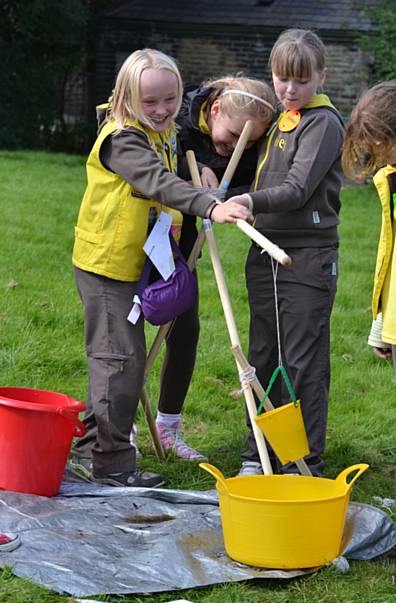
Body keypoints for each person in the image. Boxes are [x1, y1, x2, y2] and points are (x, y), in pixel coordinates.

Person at [70, 49, 252, 487]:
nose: (162, 110)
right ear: (127, 96)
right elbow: (156, 181)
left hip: (141, 260)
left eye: (169, 99)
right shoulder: (122, 138)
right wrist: (210, 205)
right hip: (106, 265)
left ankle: (86, 448)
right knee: (119, 359)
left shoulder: (167, 129)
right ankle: (109, 465)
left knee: (121, 360)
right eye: (149, 102)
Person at [228, 29, 344, 477]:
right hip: (264, 253)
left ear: (321, 77)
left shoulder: (324, 123)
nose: (289, 89)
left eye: (300, 80)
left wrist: (249, 202)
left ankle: (301, 458)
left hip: (306, 259)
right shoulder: (279, 118)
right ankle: (259, 451)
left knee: (301, 360)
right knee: (261, 357)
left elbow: (295, 189)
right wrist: (222, 197)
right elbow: (260, 185)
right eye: (281, 79)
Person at [152, 76, 276, 461]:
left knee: (185, 329)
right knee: (123, 335)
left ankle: (167, 427)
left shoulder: (246, 141)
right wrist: (200, 167)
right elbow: (156, 162)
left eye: (250, 141)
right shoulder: (177, 115)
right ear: (215, 109)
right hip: (144, 233)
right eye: (235, 135)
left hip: (184, 245)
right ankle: (113, 425)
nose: (236, 146)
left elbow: (244, 177)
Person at [342, 80, 396, 568]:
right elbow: (390, 249)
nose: (385, 162)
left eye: (388, 150)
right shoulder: (395, 179)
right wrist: (381, 316)